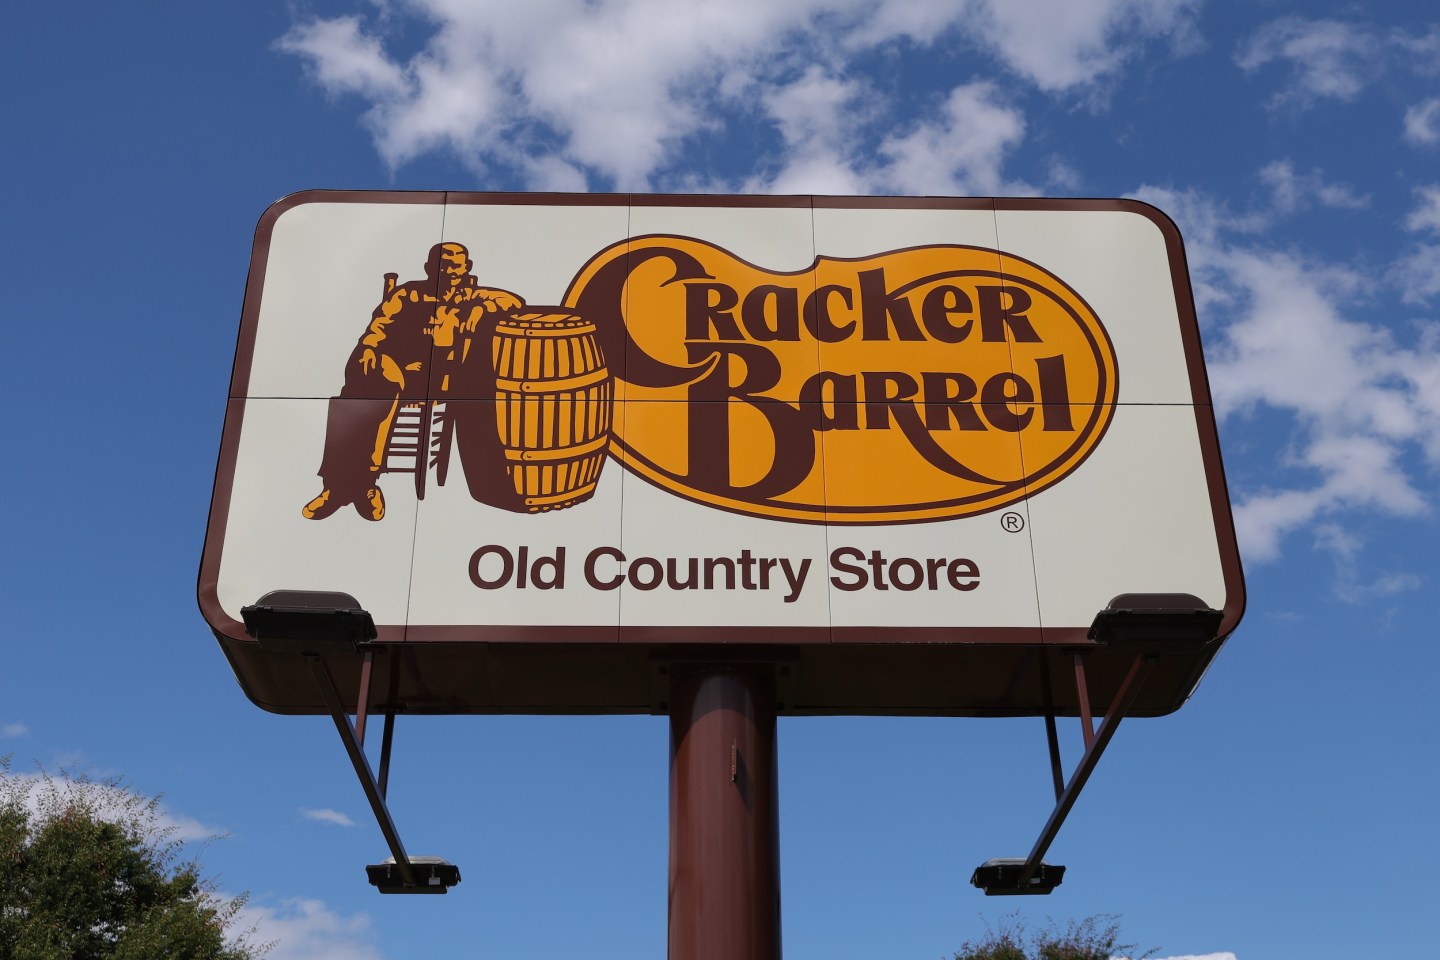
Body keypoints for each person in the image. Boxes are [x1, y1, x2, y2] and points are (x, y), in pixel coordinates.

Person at [302, 242, 524, 520]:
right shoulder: (408, 294)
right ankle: (341, 487)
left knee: (373, 393)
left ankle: (357, 485)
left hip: (440, 380)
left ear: (466, 268)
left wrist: (481, 311)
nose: (450, 271)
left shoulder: (474, 298)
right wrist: (369, 349)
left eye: (456, 265)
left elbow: (514, 303)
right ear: (430, 268)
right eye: (443, 265)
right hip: (394, 371)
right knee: (360, 391)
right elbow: (377, 328)